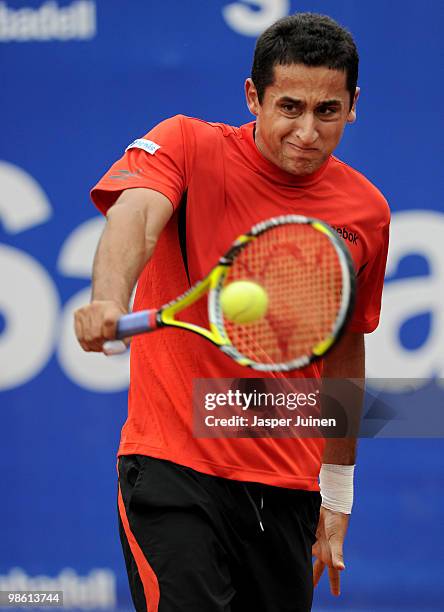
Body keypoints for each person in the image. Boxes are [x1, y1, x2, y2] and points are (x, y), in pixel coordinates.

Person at [74, 12, 390, 612]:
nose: (306, 131)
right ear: (254, 97)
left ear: (352, 106)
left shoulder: (367, 212)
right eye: (289, 107)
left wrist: (337, 493)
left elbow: (344, 350)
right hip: (174, 471)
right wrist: (111, 297)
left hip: (289, 490)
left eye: (327, 111)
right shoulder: (186, 144)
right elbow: (136, 215)